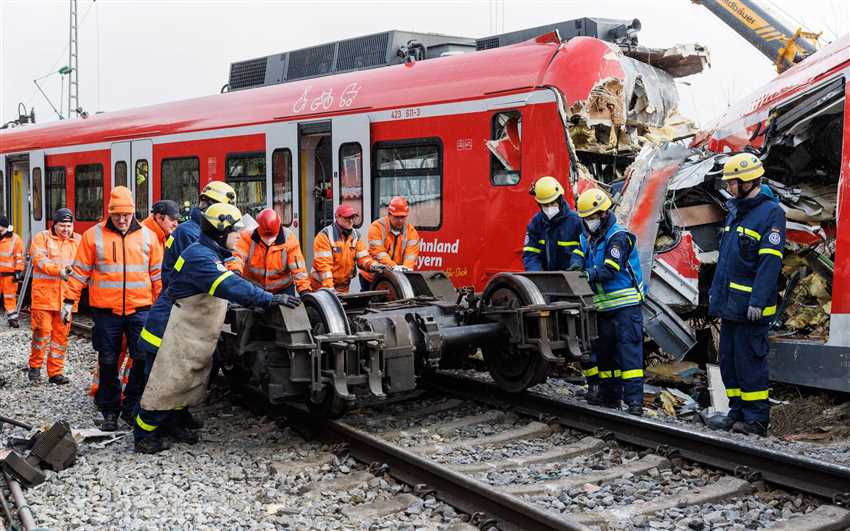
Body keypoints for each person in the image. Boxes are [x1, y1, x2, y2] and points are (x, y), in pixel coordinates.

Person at [133, 203, 300, 453]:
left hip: (181, 329)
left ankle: (174, 425)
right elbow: (229, 285)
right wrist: (268, 299)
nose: (240, 237)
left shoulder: (207, 252)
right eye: (235, 232)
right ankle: (144, 436)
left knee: (182, 382)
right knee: (163, 386)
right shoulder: (201, 257)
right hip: (167, 332)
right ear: (221, 233)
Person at [62, 187, 163, 431]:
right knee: (108, 361)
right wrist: (68, 301)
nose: (122, 219)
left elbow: (158, 277)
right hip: (107, 312)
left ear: (134, 213)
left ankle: (131, 407)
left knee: (141, 358)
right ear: (109, 212)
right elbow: (79, 273)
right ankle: (109, 410)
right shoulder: (92, 236)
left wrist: (162, 310)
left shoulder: (148, 237)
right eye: (117, 215)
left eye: (126, 214)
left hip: (141, 310)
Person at [706, 153, 785, 437]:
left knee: (750, 361)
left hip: (751, 308)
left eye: (733, 182)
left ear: (749, 181)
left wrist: (757, 301)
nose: (729, 186)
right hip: (730, 306)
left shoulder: (770, 213)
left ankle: (756, 420)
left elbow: (769, 264)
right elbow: (727, 263)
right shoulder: (735, 211)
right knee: (729, 360)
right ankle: (736, 412)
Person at [522, 176, 596, 399]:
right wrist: (538, 278)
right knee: (550, 330)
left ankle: (594, 382)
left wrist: (575, 265)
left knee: (583, 335)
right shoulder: (536, 223)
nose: (549, 208)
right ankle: (554, 367)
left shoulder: (575, 221)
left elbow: (583, 248)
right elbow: (531, 254)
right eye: (544, 204)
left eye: (552, 203)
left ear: (560, 199)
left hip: (573, 285)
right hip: (548, 286)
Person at [576, 188, 646, 416]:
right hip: (604, 307)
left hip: (625, 307)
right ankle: (609, 397)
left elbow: (610, 269)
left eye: (592, 218)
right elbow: (579, 255)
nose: (589, 222)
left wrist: (585, 275)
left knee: (629, 355)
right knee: (605, 354)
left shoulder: (618, 237)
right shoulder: (590, 238)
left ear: (604, 214)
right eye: (585, 219)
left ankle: (635, 402)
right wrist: (575, 266)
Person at [27, 208, 81, 384]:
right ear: (54, 225)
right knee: (41, 333)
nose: (66, 229)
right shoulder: (41, 238)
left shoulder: (78, 241)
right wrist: (59, 271)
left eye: (69, 225)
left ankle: (55, 372)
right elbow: (40, 261)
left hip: (67, 299)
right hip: (44, 298)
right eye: (62, 225)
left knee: (60, 336)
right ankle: (35, 367)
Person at [162, 181, 236, 288]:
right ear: (213, 207)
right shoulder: (190, 233)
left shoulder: (195, 229)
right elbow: (207, 274)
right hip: (183, 301)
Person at [233, 208, 311, 294]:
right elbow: (237, 257)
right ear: (258, 229)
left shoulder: (289, 240)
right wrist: (235, 272)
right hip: (253, 289)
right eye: (266, 236)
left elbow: (298, 270)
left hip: (282, 289)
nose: (268, 239)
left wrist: (304, 291)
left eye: (271, 236)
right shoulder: (247, 237)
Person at [312, 204, 384, 293]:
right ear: (337, 217)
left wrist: (374, 266)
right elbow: (324, 267)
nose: (350, 221)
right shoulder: (324, 236)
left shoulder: (356, 236)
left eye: (352, 218)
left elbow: (363, 258)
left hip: (343, 287)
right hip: (322, 287)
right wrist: (330, 289)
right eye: (347, 218)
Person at [360, 196, 419, 289]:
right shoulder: (377, 227)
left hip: (394, 278)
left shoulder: (411, 232)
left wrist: (406, 268)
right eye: (396, 217)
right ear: (389, 214)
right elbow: (378, 252)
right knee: (369, 302)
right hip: (372, 277)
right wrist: (393, 267)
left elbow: (411, 255)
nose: (400, 220)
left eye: (403, 217)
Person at [0, 216, 24, 327]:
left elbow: (19, 257)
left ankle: (12, 318)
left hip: (9, 275)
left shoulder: (15, 239)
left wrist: (18, 270)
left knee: (10, 297)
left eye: (1, 229)